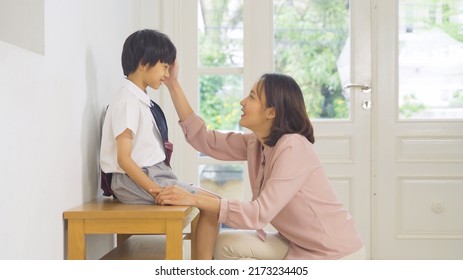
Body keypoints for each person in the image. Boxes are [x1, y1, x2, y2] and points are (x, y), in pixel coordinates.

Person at [155, 60, 365, 260]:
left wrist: (194, 198)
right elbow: (205, 141)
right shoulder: (257, 143)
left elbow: (258, 214)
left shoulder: (293, 147)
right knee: (223, 245)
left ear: (271, 112)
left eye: (252, 97)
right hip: (297, 244)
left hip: (334, 254)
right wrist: (173, 84)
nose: (242, 102)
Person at [99, 29, 219, 259]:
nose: (166, 74)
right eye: (164, 66)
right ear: (144, 64)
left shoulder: (139, 100)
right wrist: (156, 190)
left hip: (151, 174)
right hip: (135, 180)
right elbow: (123, 158)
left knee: (213, 202)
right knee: (211, 205)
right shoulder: (127, 101)